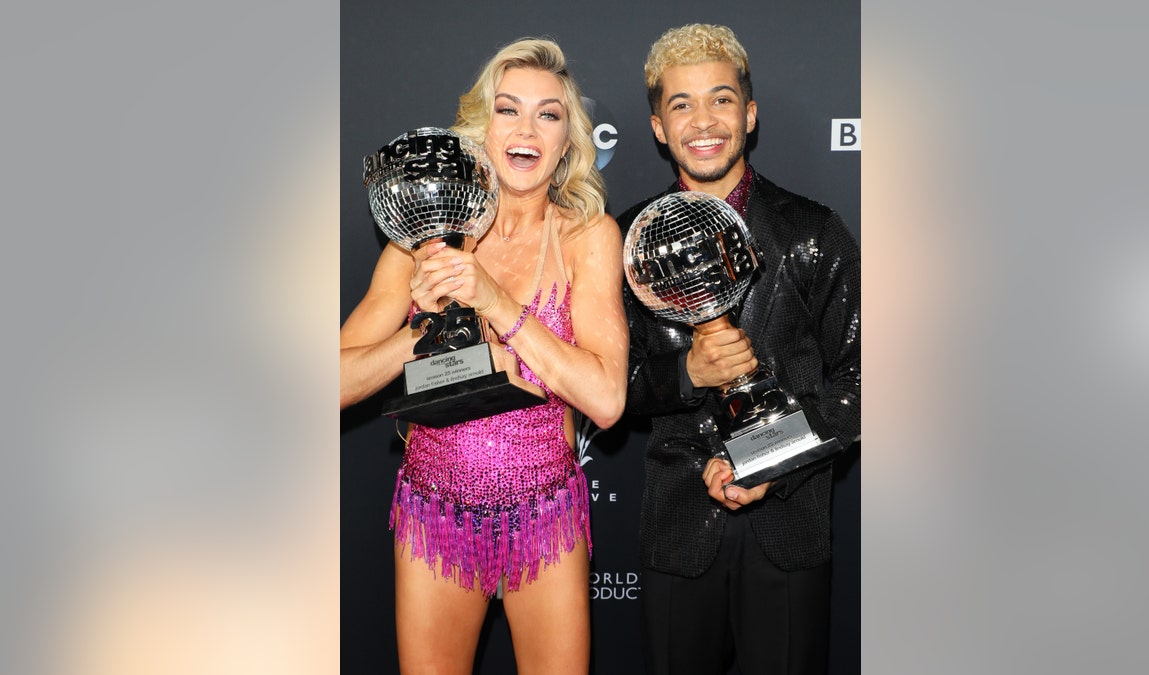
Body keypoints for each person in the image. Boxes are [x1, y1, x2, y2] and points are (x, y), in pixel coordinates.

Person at [340, 38, 628, 674]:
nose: (526, 129)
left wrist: (493, 299)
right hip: (434, 514)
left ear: (568, 141)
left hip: (545, 515)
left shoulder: (589, 237)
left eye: (548, 115)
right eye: (508, 110)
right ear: (481, 130)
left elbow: (607, 401)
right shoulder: (424, 239)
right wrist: (421, 335)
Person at [617, 24, 861, 675]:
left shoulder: (813, 232)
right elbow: (609, 386)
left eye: (721, 99)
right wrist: (685, 371)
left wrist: (771, 461)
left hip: (789, 529)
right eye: (682, 103)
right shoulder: (625, 242)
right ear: (659, 128)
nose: (704, 120)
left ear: (749, 115)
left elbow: (864, 380)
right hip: (677, 530)